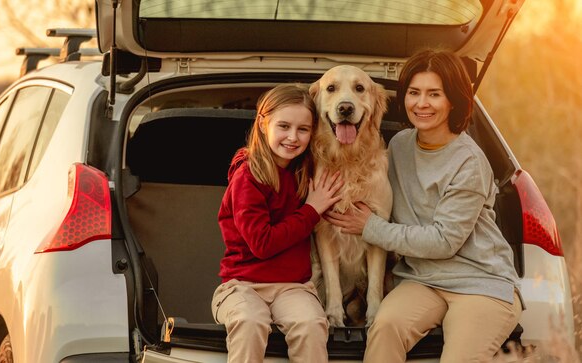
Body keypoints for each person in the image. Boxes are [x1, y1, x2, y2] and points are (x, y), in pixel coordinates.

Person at [324, 48, 524, 363]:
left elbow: (444, 241)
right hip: (422, 280)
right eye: (414, 93)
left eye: (434, 94)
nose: (422, 103)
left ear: (453, 100)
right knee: (384, 330)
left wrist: (371, 227)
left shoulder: (469, 162)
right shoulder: (400, 144)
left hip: (479, 283)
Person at [211, 83, 343, 363]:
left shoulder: (304, 171)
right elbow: (262, 244)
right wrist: (312, 210)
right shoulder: (248, 176)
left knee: (311, 324)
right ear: (262, 122)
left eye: (303, 129)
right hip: (241, 286)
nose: (292, 137)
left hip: (292, 286)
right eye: (283, 126)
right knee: (249, 321)